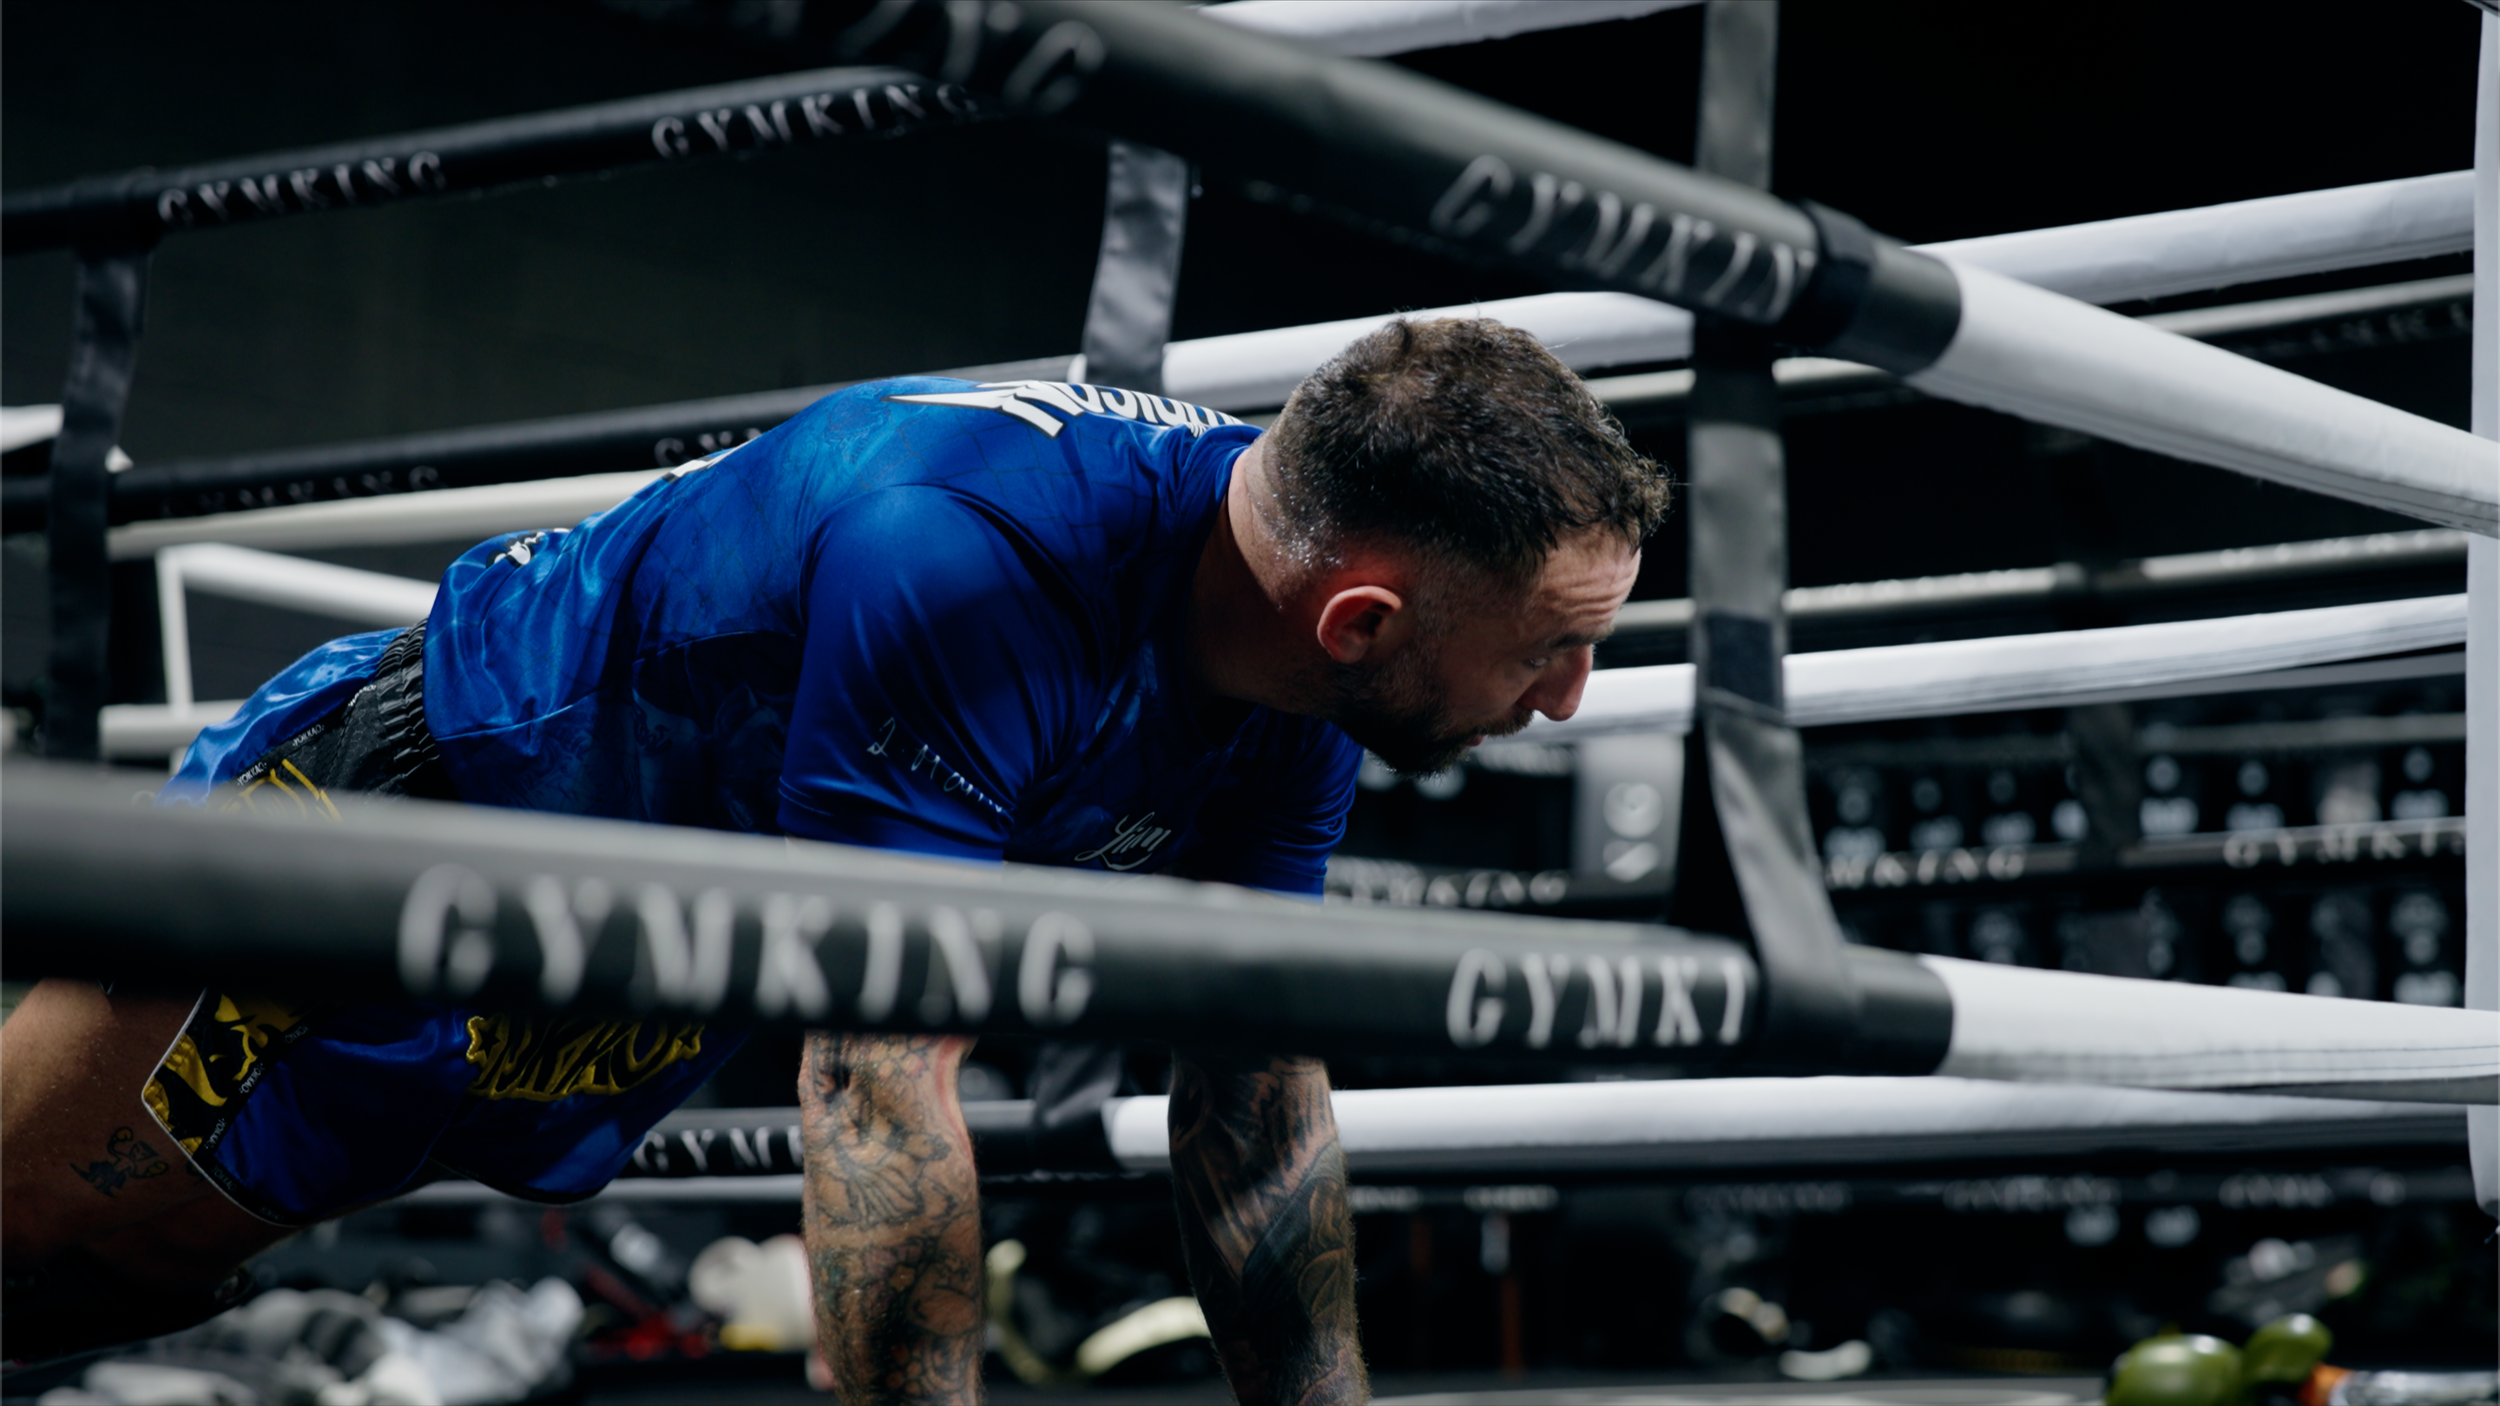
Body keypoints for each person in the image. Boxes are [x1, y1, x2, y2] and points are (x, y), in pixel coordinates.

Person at [0, 316, 1666, 1402]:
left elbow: (1254, 1085)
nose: (1573, 694)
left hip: (630, 973)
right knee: (43, 1246)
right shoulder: (970, 557)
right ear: (1364, 615)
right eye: (1555, 644)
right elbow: (882, 1078)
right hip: (391, 840)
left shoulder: (1295, 684)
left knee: (153, 1275)